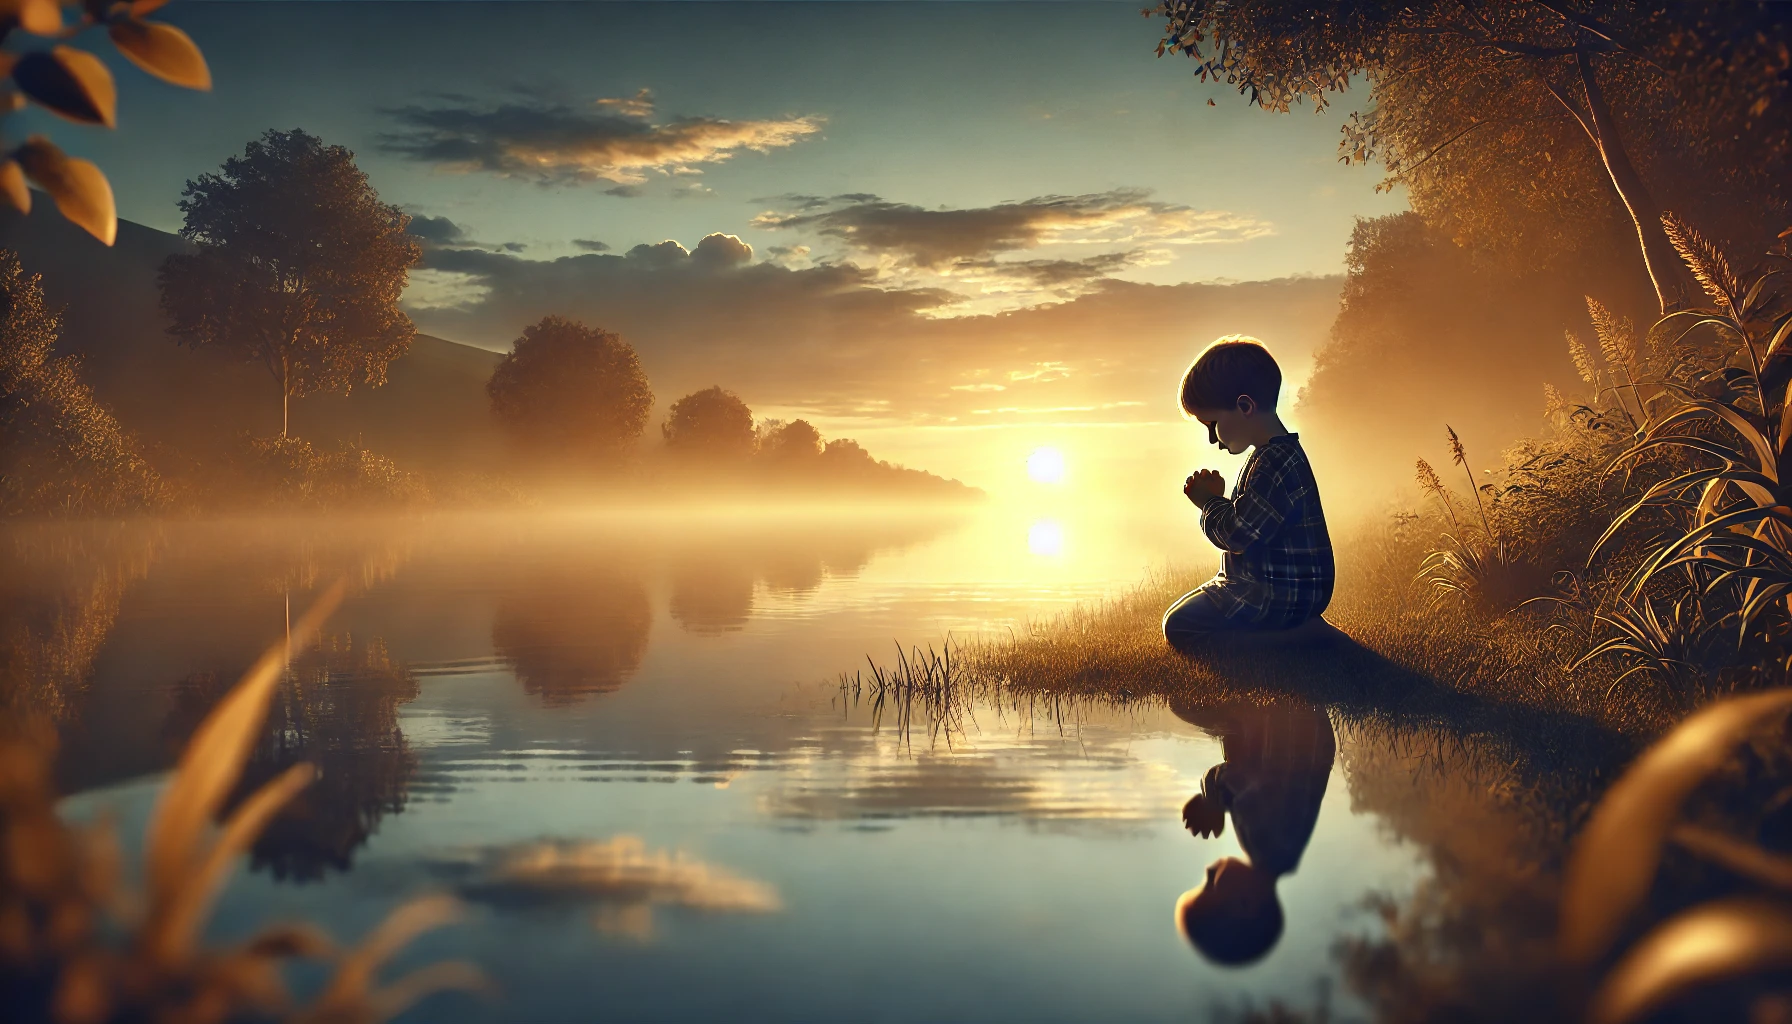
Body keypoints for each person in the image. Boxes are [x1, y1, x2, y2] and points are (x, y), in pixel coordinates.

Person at [1163, 336, 1335, 652]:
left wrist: (1209, 502)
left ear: (1244, 406)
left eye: (1212, 424)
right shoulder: (1276, 455)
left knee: (1179, 625)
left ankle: (1292, 639)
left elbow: (1239, 535)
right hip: (1287, 591)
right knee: (1184, 611)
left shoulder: (1273, 462)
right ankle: (1302, 629)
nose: (1211, 439)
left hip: (1275, 595)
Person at [1171, 696, 1336, 966]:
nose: (1209, 872)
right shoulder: (1269, 844)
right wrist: (1211, 799)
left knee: (1192, 705)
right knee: (1184, 703)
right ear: (1245, 903)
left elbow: (1250, 785)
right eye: (1210, 885)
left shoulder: (1279, 850)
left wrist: (1219, 801)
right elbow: (1245, 776)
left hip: (1285, 719)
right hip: (1283, 711)